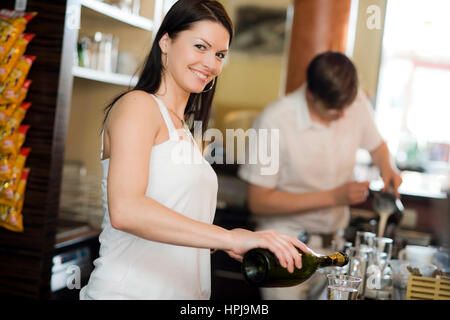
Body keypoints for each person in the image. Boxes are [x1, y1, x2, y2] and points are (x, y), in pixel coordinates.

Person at [79, 0, 309, 300]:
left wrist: (236, 239)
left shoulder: (187, 130)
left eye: (220, 54)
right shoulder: (138, 106)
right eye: (200, 46)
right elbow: (127, 210)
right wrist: (227, 238)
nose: (211, 63)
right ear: (165, 41)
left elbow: (176, 223)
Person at [238, 51, 403, 300]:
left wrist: (388, 167)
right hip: (286, 248)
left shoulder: (355, 102)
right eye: (334, 111)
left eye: (346, 107)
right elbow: (258, 201)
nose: (343, 116)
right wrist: (333, 197)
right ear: (310, 94)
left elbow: (377, 146)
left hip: (334, 249)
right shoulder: (274, 120)